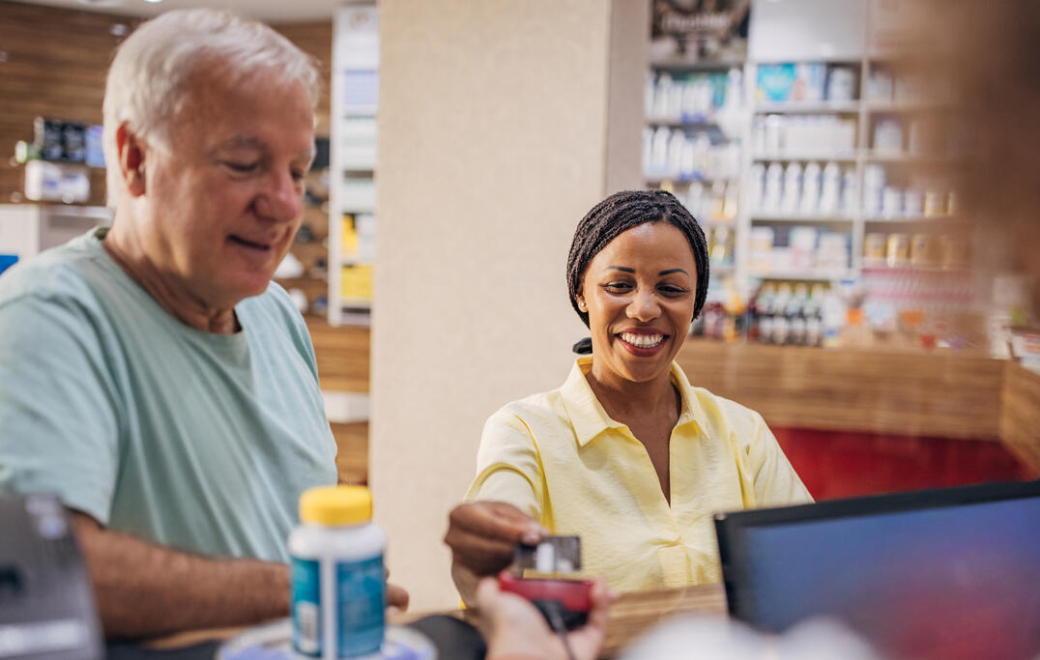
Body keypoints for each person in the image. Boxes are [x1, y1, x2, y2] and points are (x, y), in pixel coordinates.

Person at [0, 9, 406, 638]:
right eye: (244, 164)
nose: (285, 204)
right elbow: (42, 572)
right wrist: (303, 589)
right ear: (134, 159)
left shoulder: (274, 315)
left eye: (298, 171)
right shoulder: (49, 316)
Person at [446, 190, 811, 604]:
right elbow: (491, 569)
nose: (643, 309)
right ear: (581, 292)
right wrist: (479, 557)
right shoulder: (524, 432)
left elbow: (812, 566)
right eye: (619, 285)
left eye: (671, 289)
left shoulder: (743, 433)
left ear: (696, 303)